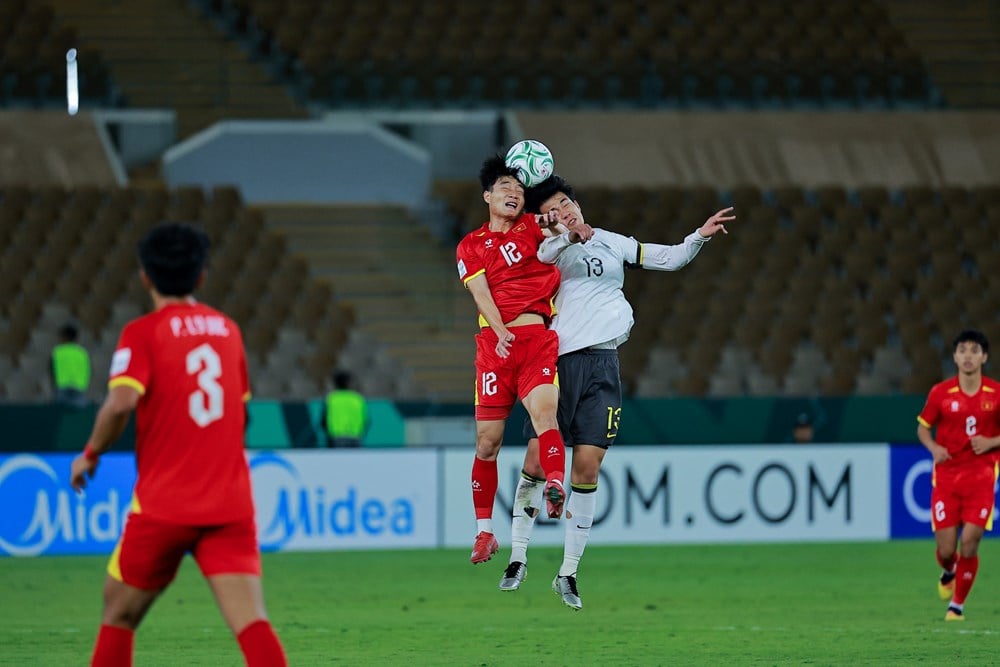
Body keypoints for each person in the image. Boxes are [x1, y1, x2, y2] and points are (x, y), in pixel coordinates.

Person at [498, 175, 733, 610]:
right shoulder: (549, 249)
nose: (565, 209)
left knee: (587, 469)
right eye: (554, 208)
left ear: (578, 202)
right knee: (535, 459)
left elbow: (669, 258)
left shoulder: (611, 241)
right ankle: (517, 556)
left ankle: (568, 573)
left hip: (605, 366)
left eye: (568, 202)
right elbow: (546, 249)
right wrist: (565, 234)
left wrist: (698, 236)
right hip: (559, 363)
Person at [69, 223, 287, 666]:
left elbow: (119, 404)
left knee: (119, 611)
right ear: (201, 276)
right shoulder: (228, 330)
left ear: (144, 276)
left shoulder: (142, 332)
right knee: (252, 622)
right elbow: (240, 414)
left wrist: (91, 454)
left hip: (165, 504)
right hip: (229, 504)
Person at [455, 153, 594, 566]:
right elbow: (480, 292)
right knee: (486, 443)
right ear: (488, 196)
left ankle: (553, 484)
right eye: (505, 188)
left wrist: (572, 230)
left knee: (544, 416)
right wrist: (499, 332)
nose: (513, 193)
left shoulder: (531, 227)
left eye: (519, 189)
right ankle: (484, 534)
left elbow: (554, 228)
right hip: (494, 347)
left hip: (535, 340)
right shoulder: (470, 245)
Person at [917, 328, 1000, 622]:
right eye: (962, 350)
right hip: (948, 478)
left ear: (984, 357)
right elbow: (923, 427)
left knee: (971, 541)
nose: (968, 355)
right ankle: (949, 570)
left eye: (974, 350)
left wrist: (991, 442)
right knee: (948, 548)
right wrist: (933, 447)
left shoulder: (996, 393)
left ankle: (957, 607)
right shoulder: (940, 393)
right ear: (954, 356)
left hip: (981, 477)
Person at [320, 369, 369, 447]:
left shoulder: (331, 399)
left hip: (336, 437)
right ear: (349, 383)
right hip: (355, 437)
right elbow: (366, 421)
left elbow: (323, 421)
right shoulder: (358, 399)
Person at [51, 320, 91, 406]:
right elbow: (88, 371)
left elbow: (52, 371)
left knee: (62, 415)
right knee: (77, 416)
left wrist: (54, 387)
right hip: (79, 387)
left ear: (64, 336)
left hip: (63, 387)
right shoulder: (82, 353)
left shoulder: (57, 352)